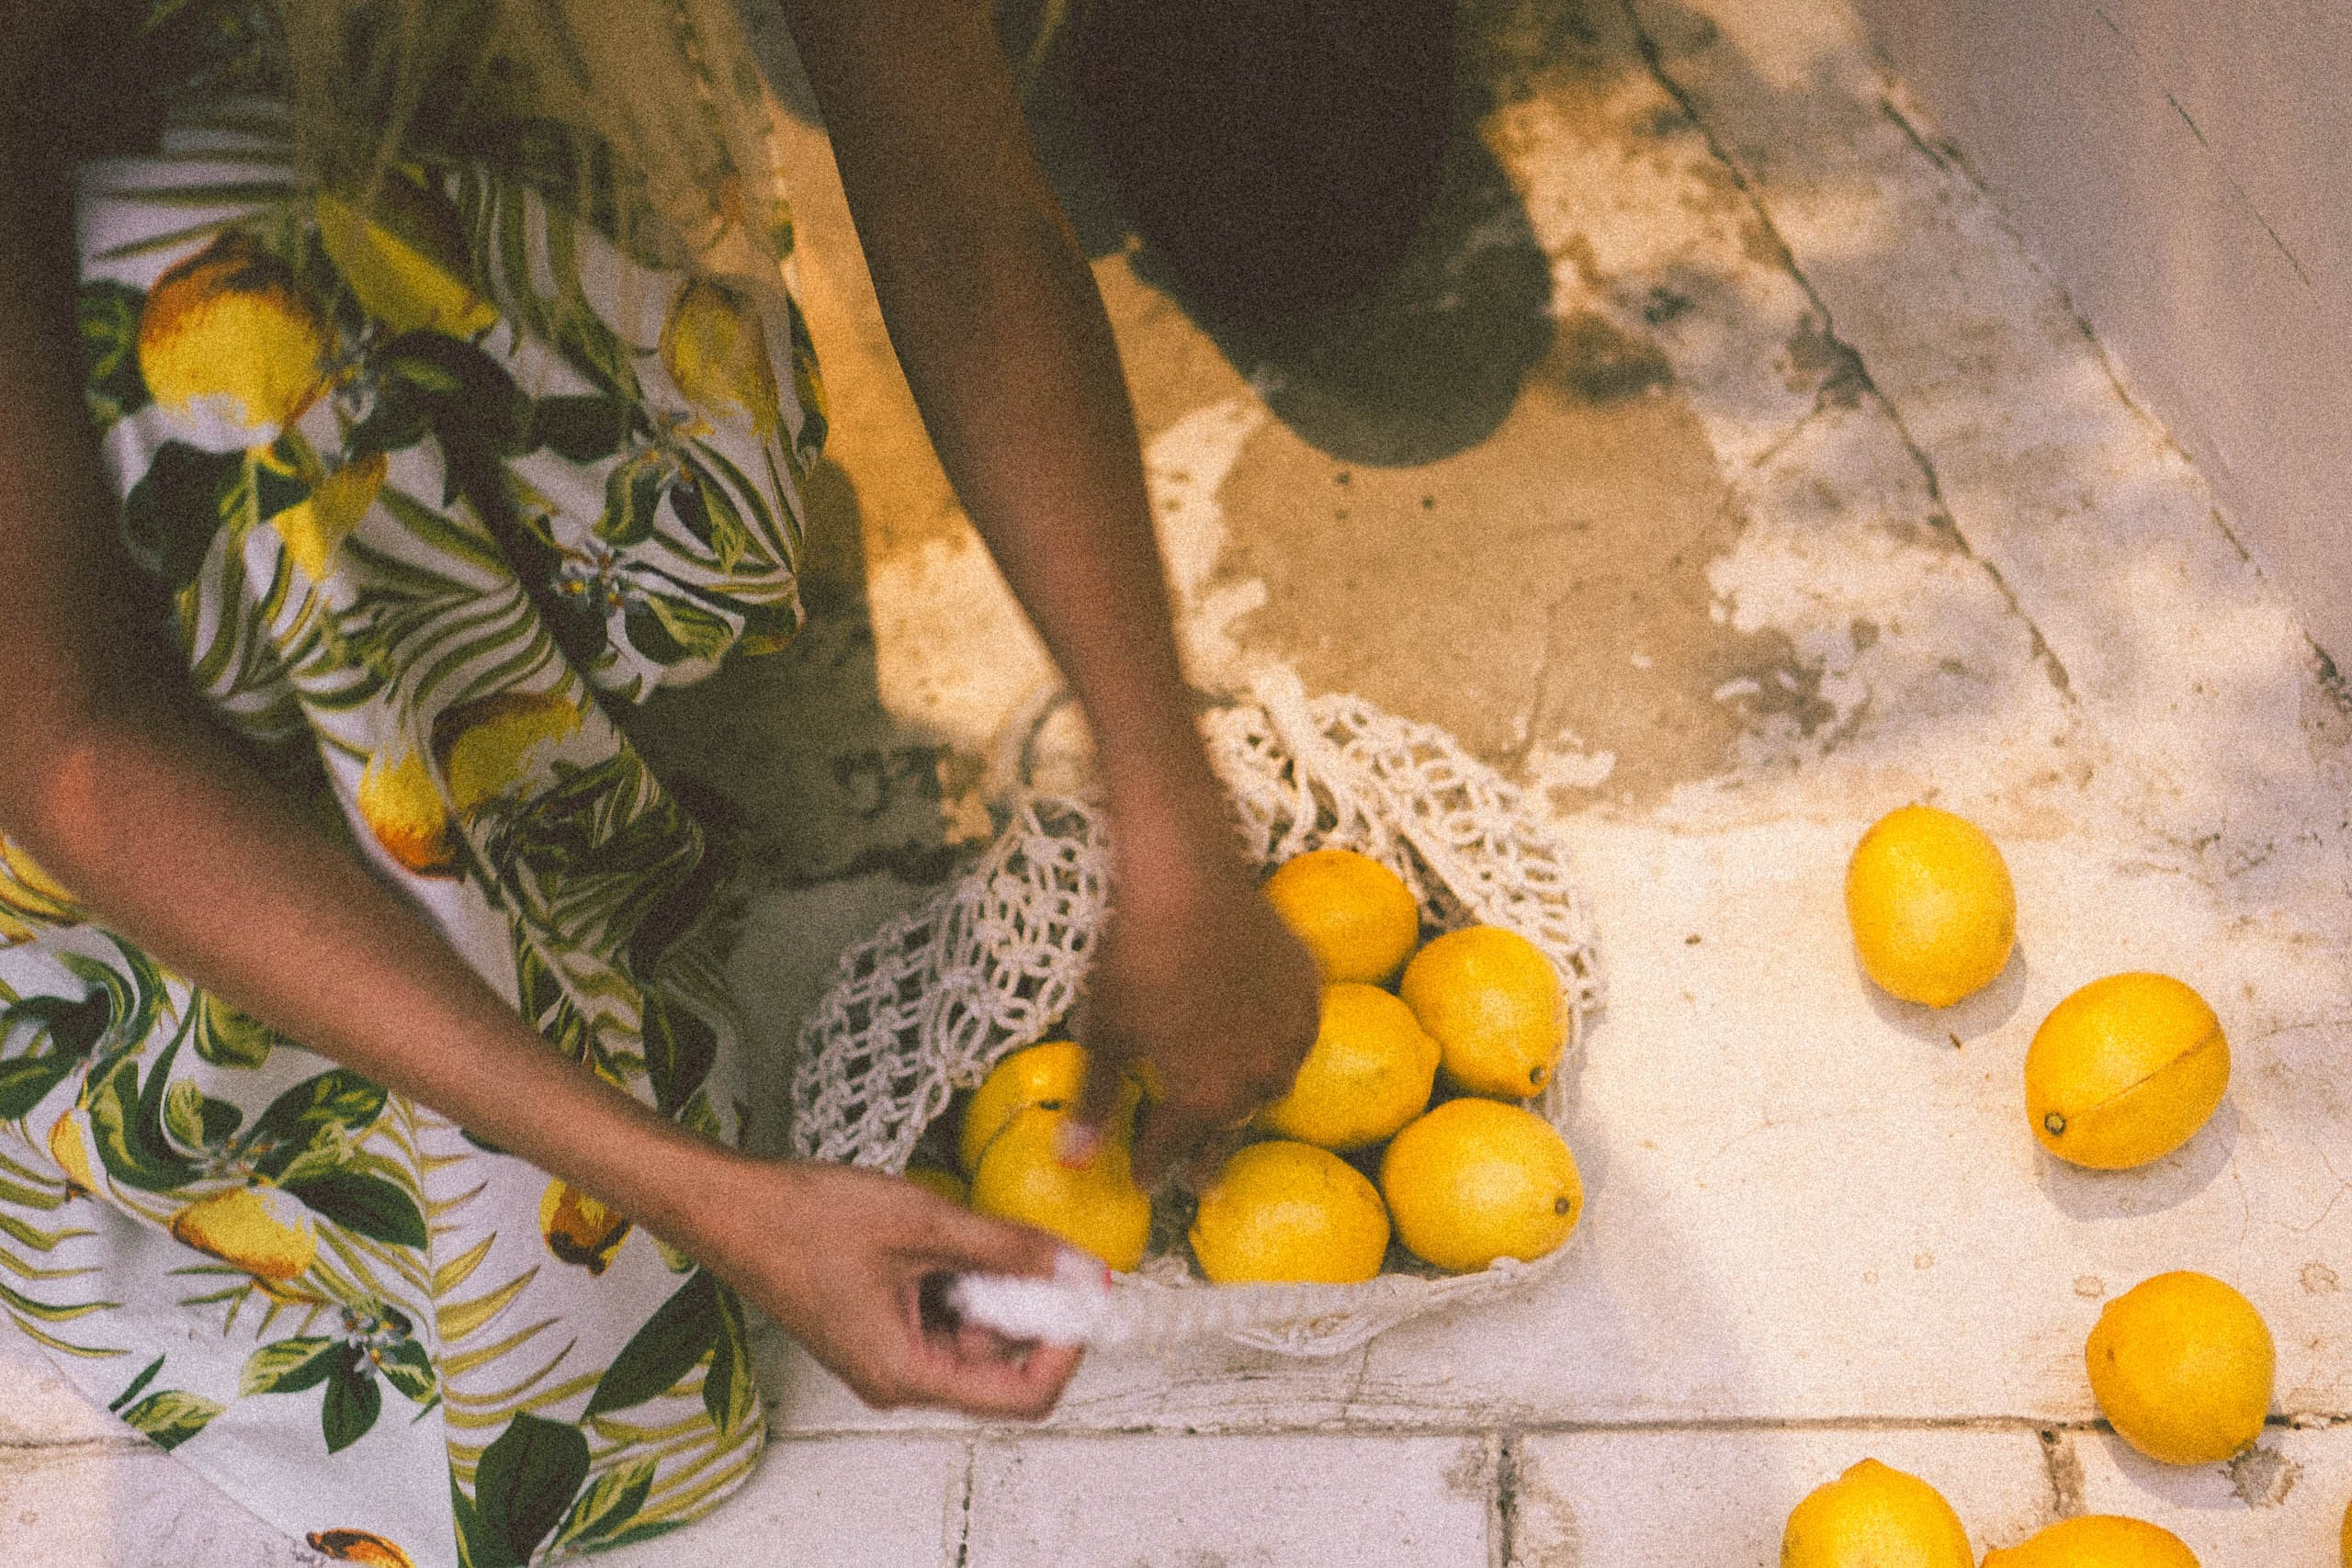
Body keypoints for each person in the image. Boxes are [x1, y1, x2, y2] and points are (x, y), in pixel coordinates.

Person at [0, 1, 1319, 1561]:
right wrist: (711, 1197)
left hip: (384, 85)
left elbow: (965, 216)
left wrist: (1168, 813)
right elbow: (71, 740)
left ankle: (455, 618)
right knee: (215, 334)